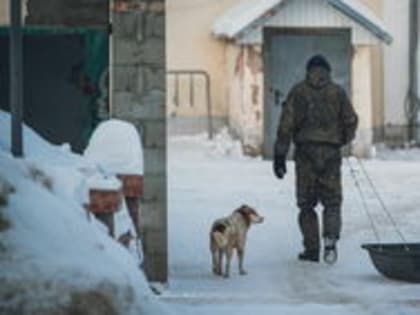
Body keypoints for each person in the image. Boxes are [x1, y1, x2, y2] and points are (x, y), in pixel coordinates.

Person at [273, 55, 358, 264]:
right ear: (327, 71)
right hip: (331, 154)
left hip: (306, 154)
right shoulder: (337, 92)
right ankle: (330, 240)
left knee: (306, 205)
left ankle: (311, 249)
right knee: (332, 202)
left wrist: (279, 155)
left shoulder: (298, 92)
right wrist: (342, 140)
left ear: (308, 70)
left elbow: (286, 125)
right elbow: (351, 120)